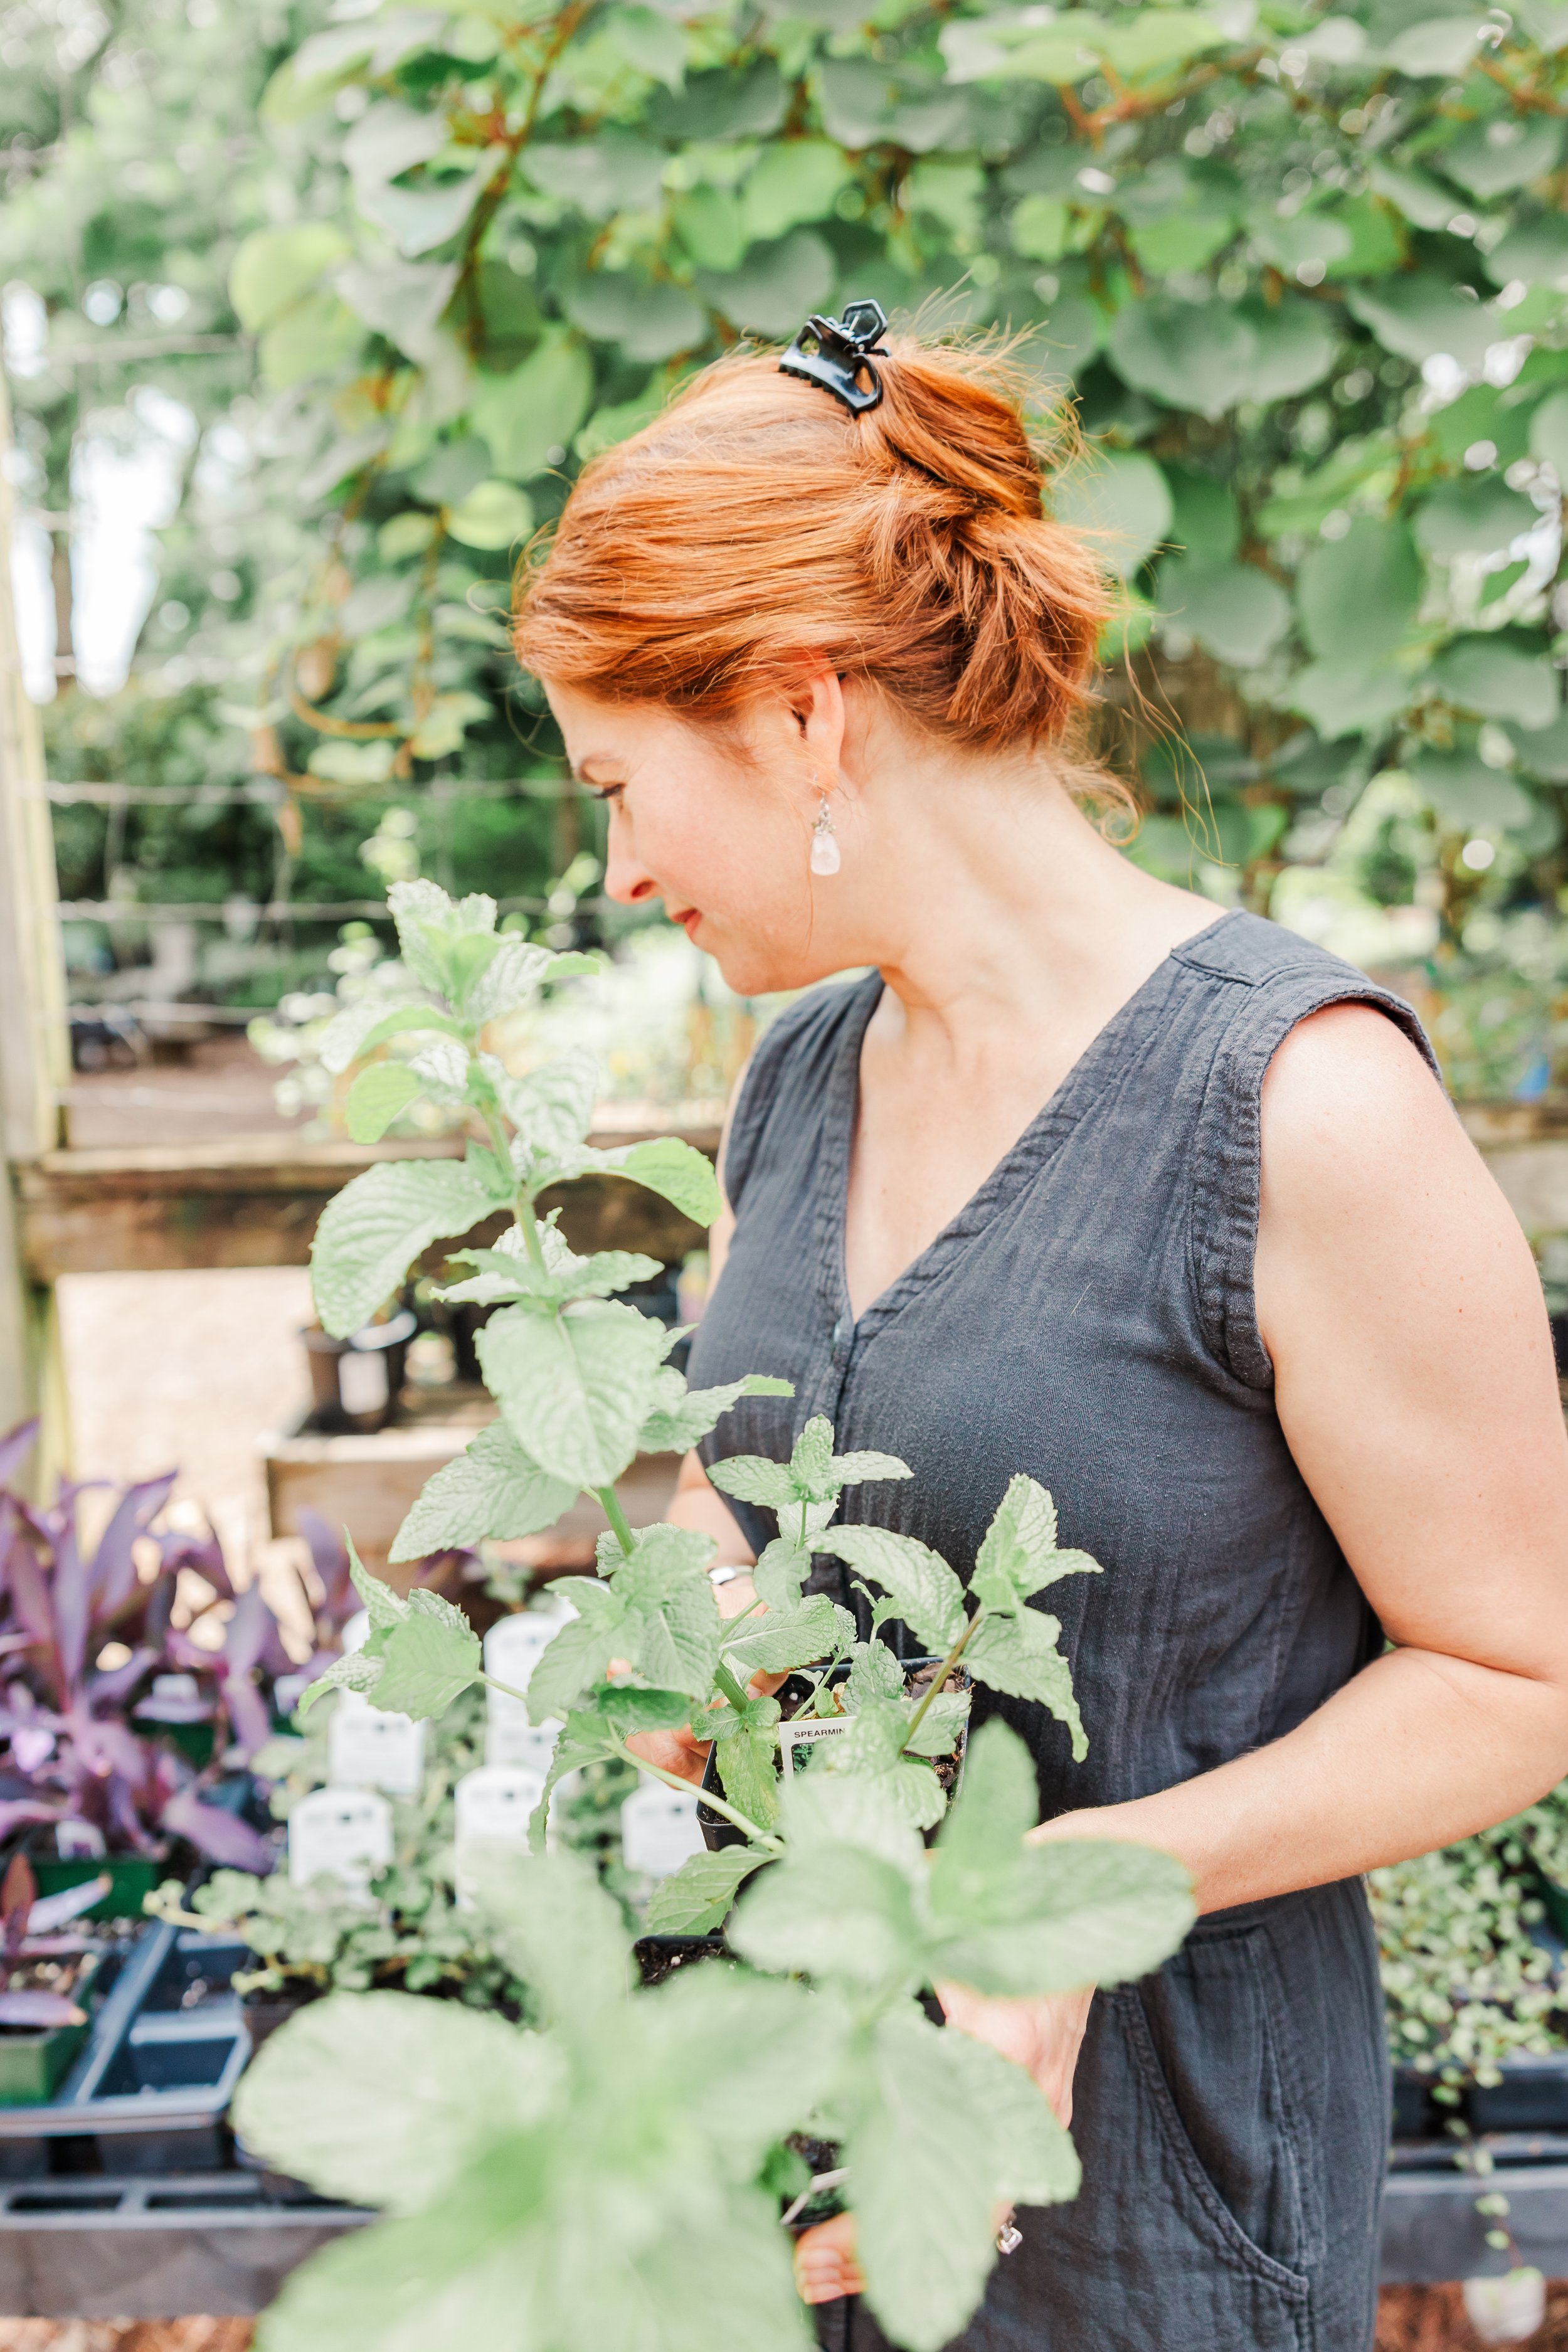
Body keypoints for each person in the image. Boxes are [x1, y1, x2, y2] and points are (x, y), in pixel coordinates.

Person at [512, 303, 1568, 2352]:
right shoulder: (798, 1073)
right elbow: (763, 1510)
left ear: (805, 717)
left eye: (620, 786)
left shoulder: (1297, 1103)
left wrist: (1073, 1896)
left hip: (1161, 2185)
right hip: (813, 2133)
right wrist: (690, 1648)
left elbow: (1518, 1673)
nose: (621, 867)